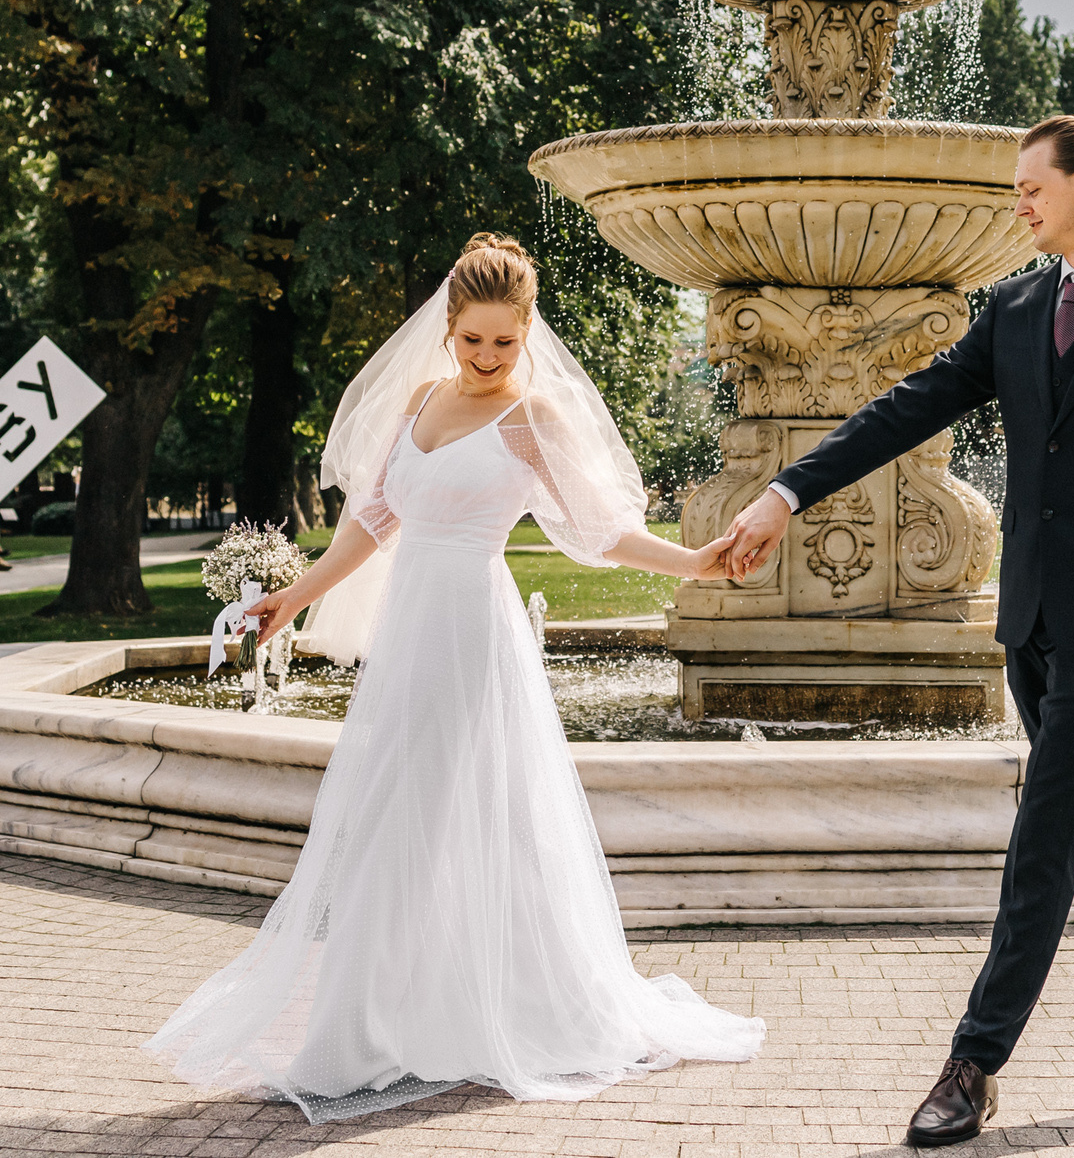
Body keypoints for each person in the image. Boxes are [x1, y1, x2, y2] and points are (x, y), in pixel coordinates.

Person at [722, 115, 1074, 1147]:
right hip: (1029, 605)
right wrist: (784, 491)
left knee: (1045, 831)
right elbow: (907, 405)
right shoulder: (1017, 303)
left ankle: (973, 1062)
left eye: (1032, 186)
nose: (1018, 203)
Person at [146, 233, 762, 1120]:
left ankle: (435, 1026)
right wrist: (292, 597)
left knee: (441, 815)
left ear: (526, 333)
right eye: (472, 340)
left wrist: (695, 564)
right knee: (394, 817)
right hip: (410, 633)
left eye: (504, 343)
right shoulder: (422, 399)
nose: (485, 359)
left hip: (474, 631)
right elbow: (373, 521)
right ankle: (368, 1031)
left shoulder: (531, 419)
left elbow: (595, 531)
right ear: (448, 326)